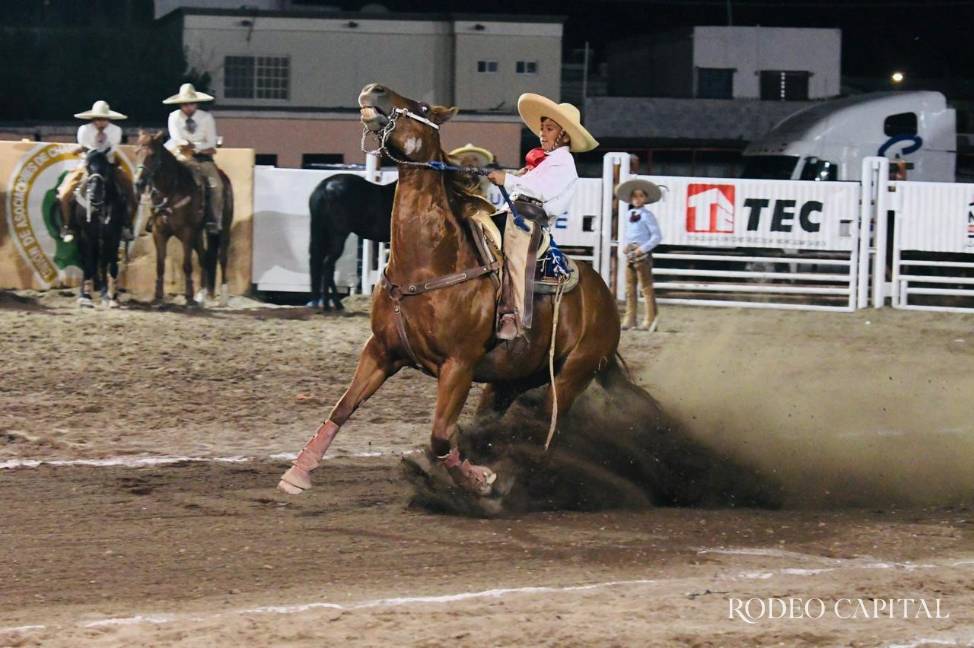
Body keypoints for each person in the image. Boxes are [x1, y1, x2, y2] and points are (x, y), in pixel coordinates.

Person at [486, 94, 598, 340]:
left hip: (528, 222)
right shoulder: (545, 163)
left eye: (549, 129)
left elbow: (540, 191)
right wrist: (514, 177)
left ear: (564, 135)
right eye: (542, 128)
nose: (542, 133)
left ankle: (513, 316)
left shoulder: (564, 163)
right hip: (513, 213)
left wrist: (508, 179)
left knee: (516, 257)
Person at [57, 100, 135, 242]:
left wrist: (89, 150)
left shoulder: (116, 130)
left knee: (130, 190)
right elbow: (88, 149)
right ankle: (68, 226)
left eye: (104, 119)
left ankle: (127, 225)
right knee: (64, 194)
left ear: (108, 119)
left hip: (109, 164)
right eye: (98, 119)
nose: (101, 122)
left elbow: (111, 149)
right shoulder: (84, 130)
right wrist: (89, 151)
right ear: (93, 118)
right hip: (88, 165)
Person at [163, 83, 224, 233]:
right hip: (180, 157)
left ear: (196, 104)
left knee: (217, 186)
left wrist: (194, 147)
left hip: (202, 158)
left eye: (191, 104)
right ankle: (157, 215)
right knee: (159, 179)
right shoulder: (174, 117)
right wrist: (190, 145)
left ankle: (214, 219)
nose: (188, 107)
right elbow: (177, 139)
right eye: (184, 104)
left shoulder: (206, 118)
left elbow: (211, 142)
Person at [615, 178, 663, 331]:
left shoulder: (647, 215)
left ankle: (650, 319)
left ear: (646, 199)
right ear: (631, 198)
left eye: (641, 196)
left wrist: (642, 249)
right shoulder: (629, 213)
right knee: (630, 288)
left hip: (642, 254)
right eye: (635, 196)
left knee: (646, 287)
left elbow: (656, 236)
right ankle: (630, 318)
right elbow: (630, 234)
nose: (637, 199)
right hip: (631, 253)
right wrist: (626, 246)